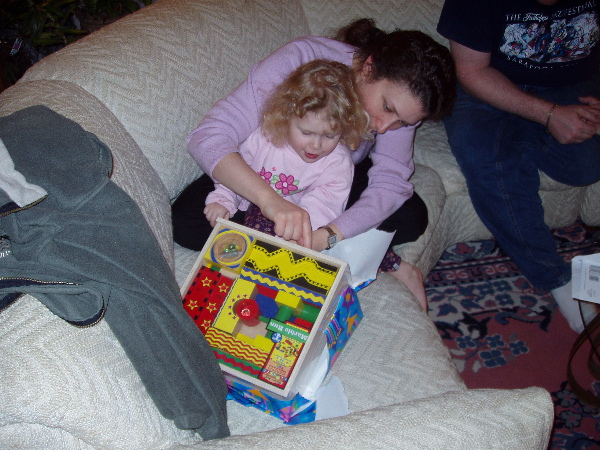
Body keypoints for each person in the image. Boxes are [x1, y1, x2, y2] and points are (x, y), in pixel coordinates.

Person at [172, 18, 456, 309]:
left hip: (328, 176)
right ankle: (368, 255)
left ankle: (307, 245)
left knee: (411, 215)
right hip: (264, 161)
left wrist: (328, 236)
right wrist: (270, 201)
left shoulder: (402, 104)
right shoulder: (302, 58)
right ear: (369, 68)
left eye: (402, 123)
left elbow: (391, 182)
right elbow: (207, 137)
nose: (383, 128)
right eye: (387, 108)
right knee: (187, 222)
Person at [437, 0, 600, 332]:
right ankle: (554, 277)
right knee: (484, 157)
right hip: (486, 85)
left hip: (574, 84)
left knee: (586, 165)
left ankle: (515, 138)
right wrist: (548, 115)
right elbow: (471, 71)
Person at [204, 59, 370, 235]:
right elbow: (236, 172)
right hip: (253, 204)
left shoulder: (337, 162)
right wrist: (224, 199)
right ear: (286, 117)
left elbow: (324, 205)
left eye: (329, 136)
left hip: (296, 222)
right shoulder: (264, 139)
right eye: (306, 133)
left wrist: (300, 233)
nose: (316, 145)